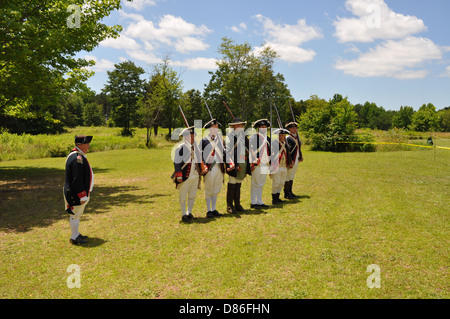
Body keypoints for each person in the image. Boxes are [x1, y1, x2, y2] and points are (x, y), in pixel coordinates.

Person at [64, 135, 94, 245]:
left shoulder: (77, 155)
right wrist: (82, 195)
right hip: (75, 193)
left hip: (75, 192)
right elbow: (77, 180)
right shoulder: (77, 158)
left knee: (76, 214)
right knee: (75, 214)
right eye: (87, 144)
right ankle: (74, 237)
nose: (88, 146)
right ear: (80, 145)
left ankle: (76, 234)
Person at [173, 126, 207, 223]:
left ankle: (189, 212)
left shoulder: (195, 148)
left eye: (193, 136)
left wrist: (203, 168)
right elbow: (177, 162)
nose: (193, 138)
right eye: (191, 136)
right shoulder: (180, 148)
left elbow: (200, 159)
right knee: (183, 196)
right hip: (185, 175)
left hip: (195, 175)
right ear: (185, 137)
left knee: (192, 195)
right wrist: (179, 175)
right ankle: (184, 214)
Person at [200, 119, 226, 218]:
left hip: (219, 167)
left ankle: (214, 209)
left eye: (217, 128)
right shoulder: (204, 140)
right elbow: (200, 155)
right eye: (213, 128)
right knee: (209, 189)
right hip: (209, 167)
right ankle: (208, 210)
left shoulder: (220, 140)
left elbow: (224, 153)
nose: (215, 130)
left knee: (216, 188)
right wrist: (203, 166)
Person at [225, 118, 250, 214]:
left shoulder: (243, 136)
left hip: (243, 162)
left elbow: (249, 147)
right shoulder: (230, 137)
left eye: (241, 125)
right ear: (233, 126)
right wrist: (230, 163)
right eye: (238, 125)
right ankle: (229, 205)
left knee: (238, 184)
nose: (240, 127)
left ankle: (237, 204)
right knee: (232, 184)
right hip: (233, 162)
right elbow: (227, 151)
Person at [249, 119, 271, 209]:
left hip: (265, 163)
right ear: (258, 128)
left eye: (265, 127)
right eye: (262, 127)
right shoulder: (254, 137)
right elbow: (250, 151)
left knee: (261, 183)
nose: (264, 129)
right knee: (255, 183)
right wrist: (252, 164)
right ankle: (253, 202)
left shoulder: (268, 139)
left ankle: (260, 201)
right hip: (257, 164)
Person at [270, 128, 292, 205]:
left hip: (284, 166)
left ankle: (278, 197)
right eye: (280, 135)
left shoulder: (285, 144)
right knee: (276, 182)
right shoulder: (274, 143)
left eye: (283, 135)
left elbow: (288, 154)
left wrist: (289, 162)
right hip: (277, 166)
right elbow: (271, 155)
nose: (281, 137)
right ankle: (274, 199)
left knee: (281, 182)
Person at [284, 122, 303, 199]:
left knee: (291, 176)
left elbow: (298, 148)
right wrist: (290, 160)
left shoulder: (295, 137)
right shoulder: (288, 138)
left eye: (295, 128)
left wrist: (300, 156)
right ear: (289, 129)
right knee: (288, 176)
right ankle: (287, 193)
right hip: (291, 160)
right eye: (293, 128)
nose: (294, 129)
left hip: (296, 159)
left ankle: (290, 192)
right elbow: (288, 151)